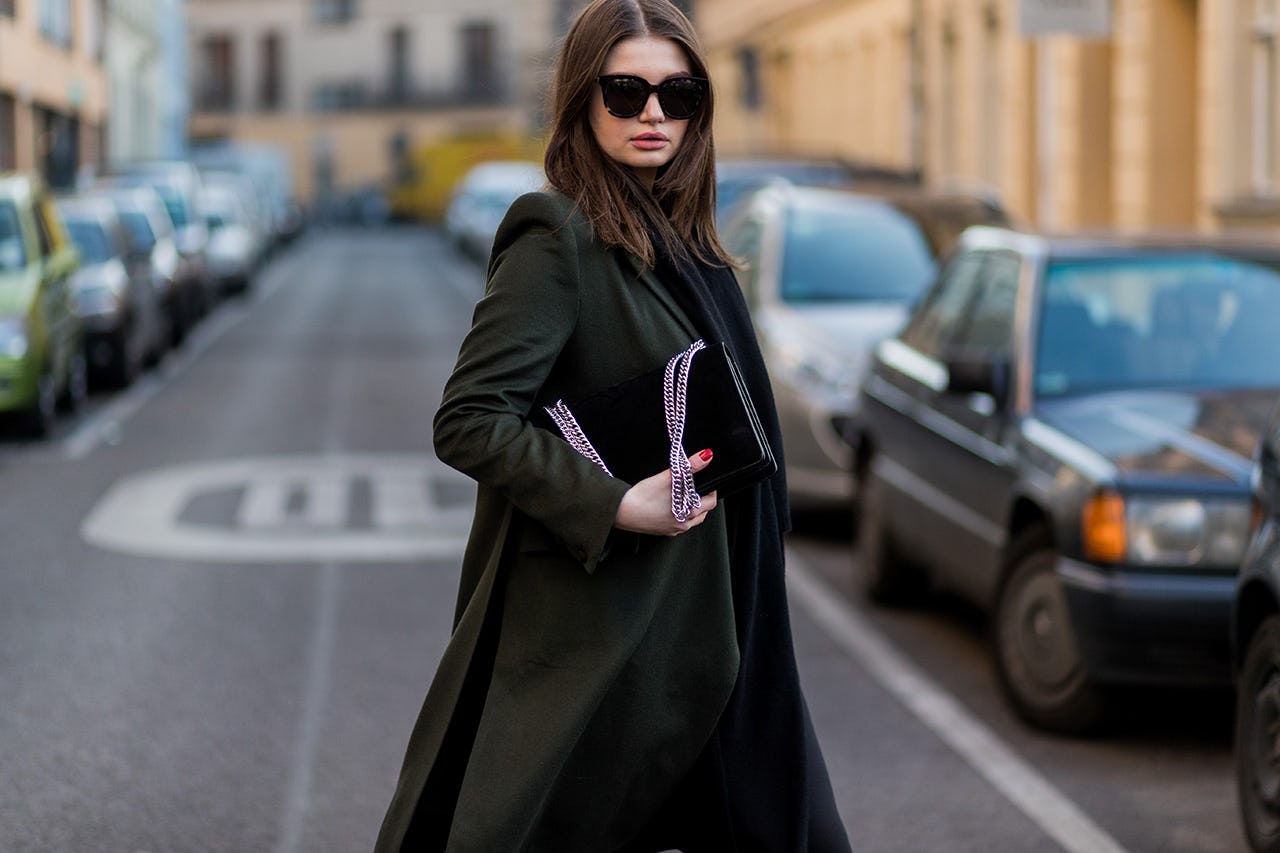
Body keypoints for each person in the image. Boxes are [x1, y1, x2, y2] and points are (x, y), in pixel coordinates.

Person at [375, 0, 851, 850]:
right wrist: (613, 502)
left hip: (726, 614)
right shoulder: (556, 235)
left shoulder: (689, 241)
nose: (653, 115)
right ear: (580, 100)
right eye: (625, 92)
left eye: (678, 94)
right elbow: (469, 418)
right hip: (619, 633)